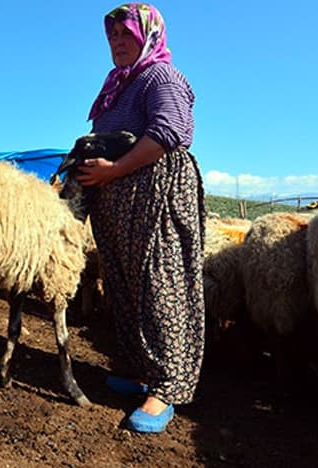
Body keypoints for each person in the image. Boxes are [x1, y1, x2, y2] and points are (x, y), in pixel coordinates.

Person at [75, 3, 205, 433]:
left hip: (155, 193)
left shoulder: (160, 77)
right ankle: (137, 368)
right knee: (123, 283)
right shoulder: (116, 85)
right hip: (118, 199)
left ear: (147, 35)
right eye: (111, 37)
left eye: (124, 34)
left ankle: (167, 384)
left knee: (158, 282)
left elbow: (169, 133)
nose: (116, 43)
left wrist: (113, 170)